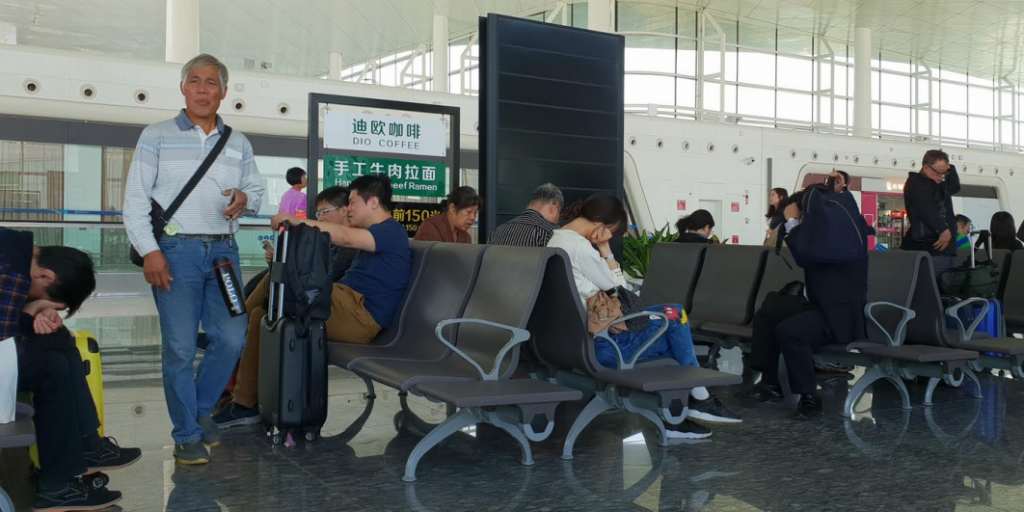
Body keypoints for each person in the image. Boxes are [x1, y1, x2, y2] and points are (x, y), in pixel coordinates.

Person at [122, 54, 265, 465]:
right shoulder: (156, 135)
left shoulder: (238, 142)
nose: (203, 90)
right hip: (175, 251)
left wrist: (245, 198)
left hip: (224, 254)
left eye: (211, 83)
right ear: (183, 88)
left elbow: (256, 193)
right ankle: (186, 433)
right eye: (195, 81)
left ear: (223, 92)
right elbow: (134, 201)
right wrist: (150, 250)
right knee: (181, 348)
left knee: (233, 337)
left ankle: (201, 411)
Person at [547, 194, 740, 439]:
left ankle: (681, 412)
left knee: (671, 323)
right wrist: (605, 250)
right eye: (610, 232)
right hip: (605, 346)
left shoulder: (556, 239)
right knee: (674, 317)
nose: (608, 238)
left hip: (573, 344)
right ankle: (696, 399)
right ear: (600, 223)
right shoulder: (581, 249)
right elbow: (620, 289)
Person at [0, 228, 142, 512]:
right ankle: (85, 451)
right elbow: (5, 347)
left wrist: (39, 309)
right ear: (47, 276)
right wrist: (33, 309)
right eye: (44, 296)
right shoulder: (11, 274)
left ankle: (64, 480)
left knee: (56, 358)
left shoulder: (13, 246)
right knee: (56, 358)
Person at [213, 186, 358, 429]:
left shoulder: (350, 243)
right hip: (324, 302)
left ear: (344, 210)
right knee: (261, 310)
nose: (320, 218)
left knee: (264, 302)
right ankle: (240, 393)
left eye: (324, 212)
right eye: (318, 213)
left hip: (329, 308)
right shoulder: (330, 241)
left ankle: (234, 326)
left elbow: (321, 280)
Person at [738, 172, 870, 420]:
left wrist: (792, 222)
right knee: (768, 313)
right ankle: (770, 383)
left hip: (839, 316)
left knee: (790, 331)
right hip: (819, 305)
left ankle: (809, 396)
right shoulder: (828, 232)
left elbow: (807, 254)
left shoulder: (839, 234)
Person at [271, 174, 411, 345]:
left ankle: (241, 320)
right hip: (347, 304)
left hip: (360, 316)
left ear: (373, 202)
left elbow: (345, 237)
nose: (348, 209)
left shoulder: (391, 231)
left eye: (352, 202)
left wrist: (297, 222)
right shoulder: (375, 234)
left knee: (282, 281)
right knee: (264, 307)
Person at [901, 149, 960, 276]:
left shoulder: (938, 184)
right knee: (935, 283)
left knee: (943, 282)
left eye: (944, 172)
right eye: (938, 172)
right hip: (930, 247)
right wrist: (942, 230)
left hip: (942, 248)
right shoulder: (917, 184)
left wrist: (950, 169)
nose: (942, 176)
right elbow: (926, 209)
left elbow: (955, 187)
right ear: (926, 167)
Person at [488, 183, 563, 247]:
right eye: (559, 212)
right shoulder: (551, 232)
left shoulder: (498, 231)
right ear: (554, 207)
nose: (557, 220)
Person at [414, 186, 481, 243]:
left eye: (475, 213)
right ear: (452, 208)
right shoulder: (431, 227)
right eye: (468, 212)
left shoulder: (466, 237)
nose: (473, 217)